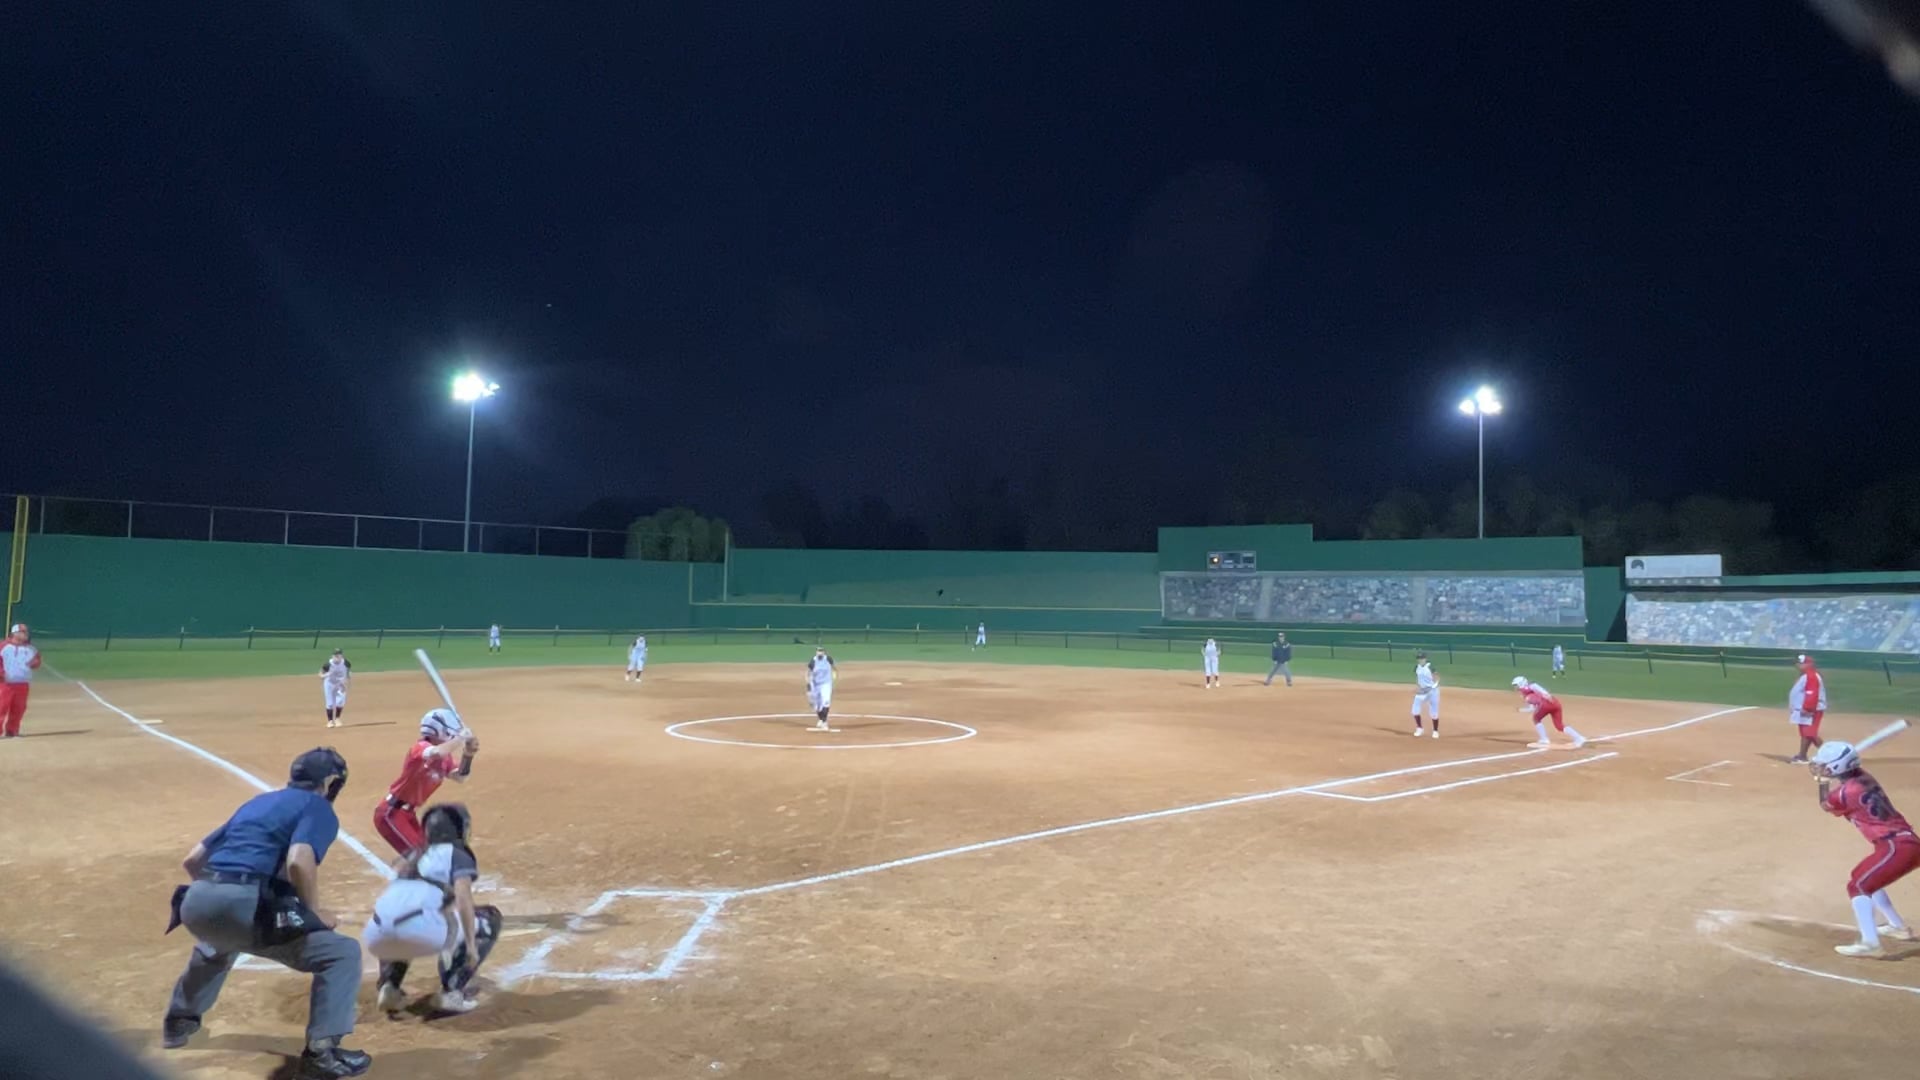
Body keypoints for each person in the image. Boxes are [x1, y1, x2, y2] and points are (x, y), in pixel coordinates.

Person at [159, 747, 371, 1078]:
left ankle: (179, 1021)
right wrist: (314, 913)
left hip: (195, 901)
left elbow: (193, 860)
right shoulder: (317, 807)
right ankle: (321, 1054)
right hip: (244, 902)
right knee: (342, 953)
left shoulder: (256, 803)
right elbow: (299, 860)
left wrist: (219, 897)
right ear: (330, 782)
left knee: (219, 942)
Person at [365, 804, 502, 1015]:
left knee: (402, 921)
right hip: (417, 931)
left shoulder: (413, 855)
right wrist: (470, 946)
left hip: (378, 935)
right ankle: (451, 993)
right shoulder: (457, 855)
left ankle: (389, 986)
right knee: (489, 918)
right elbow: (463, 899)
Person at [1809, 740, 1920, 958]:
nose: (1821, 768)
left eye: (1824, 765)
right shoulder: (1865, 777)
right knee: (1863, 876)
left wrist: (1821, 782)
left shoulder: (1843, 794)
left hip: (1895, 846)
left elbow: (1825, 805)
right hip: (1904, 843)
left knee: (1858, 885)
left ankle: (1870, 944)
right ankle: (1898, 927)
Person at [373, 709, 476, 857]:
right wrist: (460, 738)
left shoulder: (445, 758)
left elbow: (460, 777)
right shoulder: (421, 747)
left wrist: (468, 755)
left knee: (429, 855)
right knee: (422, 859)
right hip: (391, 814)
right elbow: (437, 752)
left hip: (408, 814)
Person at [1513, 676, 1588, 749]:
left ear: (1521, 683)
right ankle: (1579, 738)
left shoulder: (1528, 691)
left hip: (1545, 705)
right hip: (1555, 703)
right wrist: (1521, 710)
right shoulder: (1529, 690)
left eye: (1516, 685)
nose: (1515, 687)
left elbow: (1535, 701)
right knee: (1559, 726)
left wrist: (1546, 696)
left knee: (1536, 719)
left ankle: (1544, 739)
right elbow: (1534, 705)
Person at [1, 622, 41, 739]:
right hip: (5, 684)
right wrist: (1, 674)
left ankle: (12, 731)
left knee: (19, 708)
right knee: (1, 707)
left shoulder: (31, 649)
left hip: (22, 683)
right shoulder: (3, 646)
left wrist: (35, 663)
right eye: (23, 632)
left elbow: (37, 661)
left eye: (26, 633)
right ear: (15, 633)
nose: (26, 635)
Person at [1787, 653, 1828, 765]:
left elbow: (1812, 693)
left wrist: (1807, 708)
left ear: (1809, 664)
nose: (1798, 665)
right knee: (1806, 733)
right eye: (1798, 663)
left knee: (1810, 733)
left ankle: (1831, 756)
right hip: (1805, 709)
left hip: (1812, 709)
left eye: (1801, 663)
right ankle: (1802, 756)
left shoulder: (1811, 676)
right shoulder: (1806, 675)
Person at [319, 649, 351, 728]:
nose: (337, 657)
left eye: (338, 655)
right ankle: (330, 721)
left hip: (340, 684)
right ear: (332, 656)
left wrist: (346, 682)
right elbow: (320, 675)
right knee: (330, 703)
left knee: (340, 702)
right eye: (335, 655)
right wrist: (326, 675)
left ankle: (337, 719)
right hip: (329, 684)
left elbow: (347, 673)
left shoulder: (346, 663)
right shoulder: (328, 664)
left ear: (341, 656)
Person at [1410, 652, 1440, 738]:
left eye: (1422, 658)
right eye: (1419, 658)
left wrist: (1432, 687)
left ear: (1425, 659)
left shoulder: (1430, 667)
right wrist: (1418, 687)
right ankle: (1419, 728)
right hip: (1422, 691)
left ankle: (1435, 731)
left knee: (1434, 712)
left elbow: (1437, 678)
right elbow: (1418, 678)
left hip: (1433, 692)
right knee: (1415, 710)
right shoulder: (1417, 667)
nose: (1420, 660)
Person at [807, 647, 836, 730]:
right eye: (818, 651)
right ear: (816, 652)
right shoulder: (813, 661)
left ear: (824, 652)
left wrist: (833, 678)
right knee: (817, 705)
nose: (820, 652)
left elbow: (834, 668)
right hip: (815, 685)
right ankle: (820, 719)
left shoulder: (828, 659)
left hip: (826, 684)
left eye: (821, 651)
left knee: (826, 701)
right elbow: (808, 673)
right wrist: (809, 685)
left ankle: (824, 721)